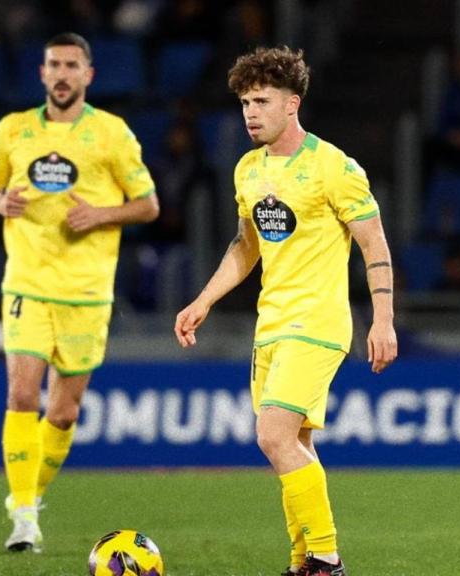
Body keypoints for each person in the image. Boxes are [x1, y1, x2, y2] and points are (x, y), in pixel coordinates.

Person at [173, 46, 397, 576]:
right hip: (270, 325)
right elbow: (245, 245)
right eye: (245, 102)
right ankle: (302, 561)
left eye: (262, 102)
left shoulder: (334, 167)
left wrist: (383, 319)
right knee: (292, 445)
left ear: (292, 103)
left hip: (317, 321)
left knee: (271, 435)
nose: (250, 112)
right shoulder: (248, 169)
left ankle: (326, 558)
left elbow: (375, 245)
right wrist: (204, 299)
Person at [0, 32, 159, 553]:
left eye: (71, 65)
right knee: (21, 394)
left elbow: (148, 205)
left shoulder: (111, 134)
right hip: (28, 284)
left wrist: (101, 214)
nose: (61, 73)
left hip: (87, 290)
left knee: (63, 412)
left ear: (88, 75)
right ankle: (26, 516)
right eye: (53, 64)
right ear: (42, 72)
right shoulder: (14, 130)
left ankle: (27, 497)